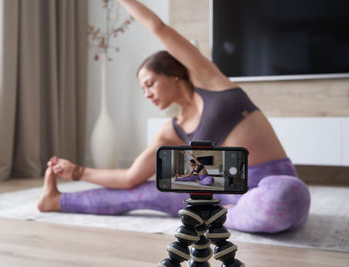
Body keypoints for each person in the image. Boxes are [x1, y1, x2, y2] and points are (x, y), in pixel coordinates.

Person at [37, 0, 310, 233]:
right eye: (143, 89)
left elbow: (159, 27)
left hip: (268, 181)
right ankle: (55, 200)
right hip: (214, 184)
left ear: (174, 74)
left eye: (150, 84)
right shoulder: (171, 131)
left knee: (288, 195)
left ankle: (216, 215)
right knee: (143, 192)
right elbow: (131, 177)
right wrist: (76, 171)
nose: (146, 94)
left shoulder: (211, 82)